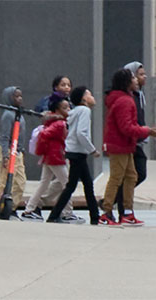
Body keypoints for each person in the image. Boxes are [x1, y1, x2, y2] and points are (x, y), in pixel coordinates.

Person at [100, 69, 156, 226]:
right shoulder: (125, 101)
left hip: (125, 145)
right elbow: (126, 127)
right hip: (119, 145)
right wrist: (147, 131)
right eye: (133, 77)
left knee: (131, 176)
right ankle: (107, 212)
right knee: (117, 178)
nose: (136, 80)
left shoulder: (124, 99)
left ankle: (127, 212)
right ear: (127, 82)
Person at [22, 93, 85, 224]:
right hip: (56, 157)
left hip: (51, 157)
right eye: (65, 108)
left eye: (68, 108)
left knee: (44, 183)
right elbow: (45, 135)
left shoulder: (55, 122)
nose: (68, 110)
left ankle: (29, 209)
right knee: (67, 184)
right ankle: (67, 213)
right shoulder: (60, 124)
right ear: (57, 110)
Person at [47, 87, 100, 225]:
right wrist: (92, 150)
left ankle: (95, 216)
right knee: (72, 186)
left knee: (86, 185)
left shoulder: (75, 111)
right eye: (89, 94)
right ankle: (54, 215)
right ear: (83, 99)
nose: (92, 96)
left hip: (74, 151)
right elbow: (81, 133)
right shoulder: (84, 110)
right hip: (78, 152)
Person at [0, 86, 27, 219]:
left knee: (20, 182)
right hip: (8, 150)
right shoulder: (8, 114)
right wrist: (6, 156)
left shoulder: (18, 113)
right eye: (16, 96)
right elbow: (4, 136)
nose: (19, 98)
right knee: (5, 181)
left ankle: (11, 207)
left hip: (17, 151)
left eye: (20, 96)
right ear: (9, 98)